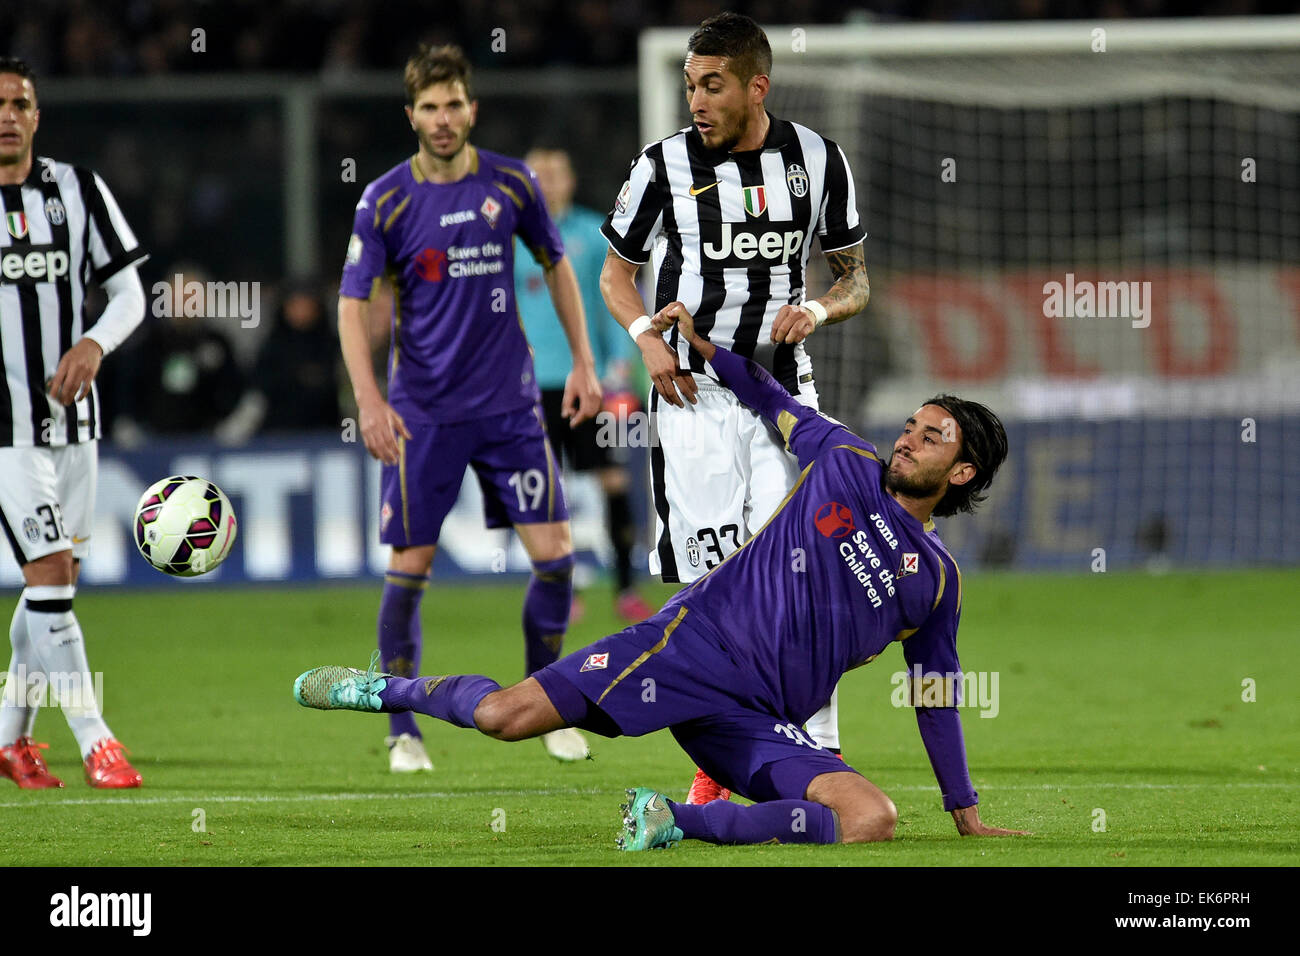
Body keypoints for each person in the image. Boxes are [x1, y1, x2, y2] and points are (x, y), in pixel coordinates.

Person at [294, 304, 1027, 849]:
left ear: (960, 472)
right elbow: (768, 396)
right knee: (503, 719)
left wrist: (965, 813)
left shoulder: (935, 583)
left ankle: (671, 819)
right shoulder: (845, 461)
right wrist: (703, 348)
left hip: (761, 719)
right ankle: (384, 688)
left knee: (870, 817)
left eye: (933, 437)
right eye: (912, 424)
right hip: (688, 649)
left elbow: (934, 697)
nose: (909, 438)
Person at [597, 12, 871, 803]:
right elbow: (618, 274)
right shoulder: (659, 168)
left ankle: (821, 755)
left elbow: (855, 277)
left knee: (809, 573)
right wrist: (647, 335)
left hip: (786, 401)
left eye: (711, 84)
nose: (696, 100)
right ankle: (719, 765)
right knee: (714, 588)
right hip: (691, 402)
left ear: (757, 86)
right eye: (689, 84)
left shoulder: (817, 161)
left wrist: (818, 312)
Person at [337, 44, 603, 773]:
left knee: (556, 559)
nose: (443, 118)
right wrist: (368, 398)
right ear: (411, 115)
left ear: (471, 108)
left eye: (454, 104)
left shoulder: (513, 183)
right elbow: (352, 303)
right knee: (410, 568)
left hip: (511, 410)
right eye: (429, 107)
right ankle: (401, 728)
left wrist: (582, 362)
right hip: (422, 414)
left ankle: (547, 709)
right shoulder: (385, 200)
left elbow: (558, 266)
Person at [0, 57, 146, 789]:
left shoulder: (78, 189)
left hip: (73, 423)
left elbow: (129, 293)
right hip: (5, 431)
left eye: (19, 102)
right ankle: (97, 740)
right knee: (51, 576)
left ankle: (8, 738)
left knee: (49, 592)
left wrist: (93, 342)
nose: (6, 115)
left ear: (37, 114)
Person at [514, 147, 653, 624]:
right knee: (546, 490)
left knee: (614, 479)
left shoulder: (595, 235)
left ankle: (626, 589)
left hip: (590, 379)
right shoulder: (509, 239)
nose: (547, 180)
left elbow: (613, 301)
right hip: (531, 388)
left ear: (570, 179)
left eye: (555, 172)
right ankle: (561, 591)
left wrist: (620, 366)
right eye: (538, 173)